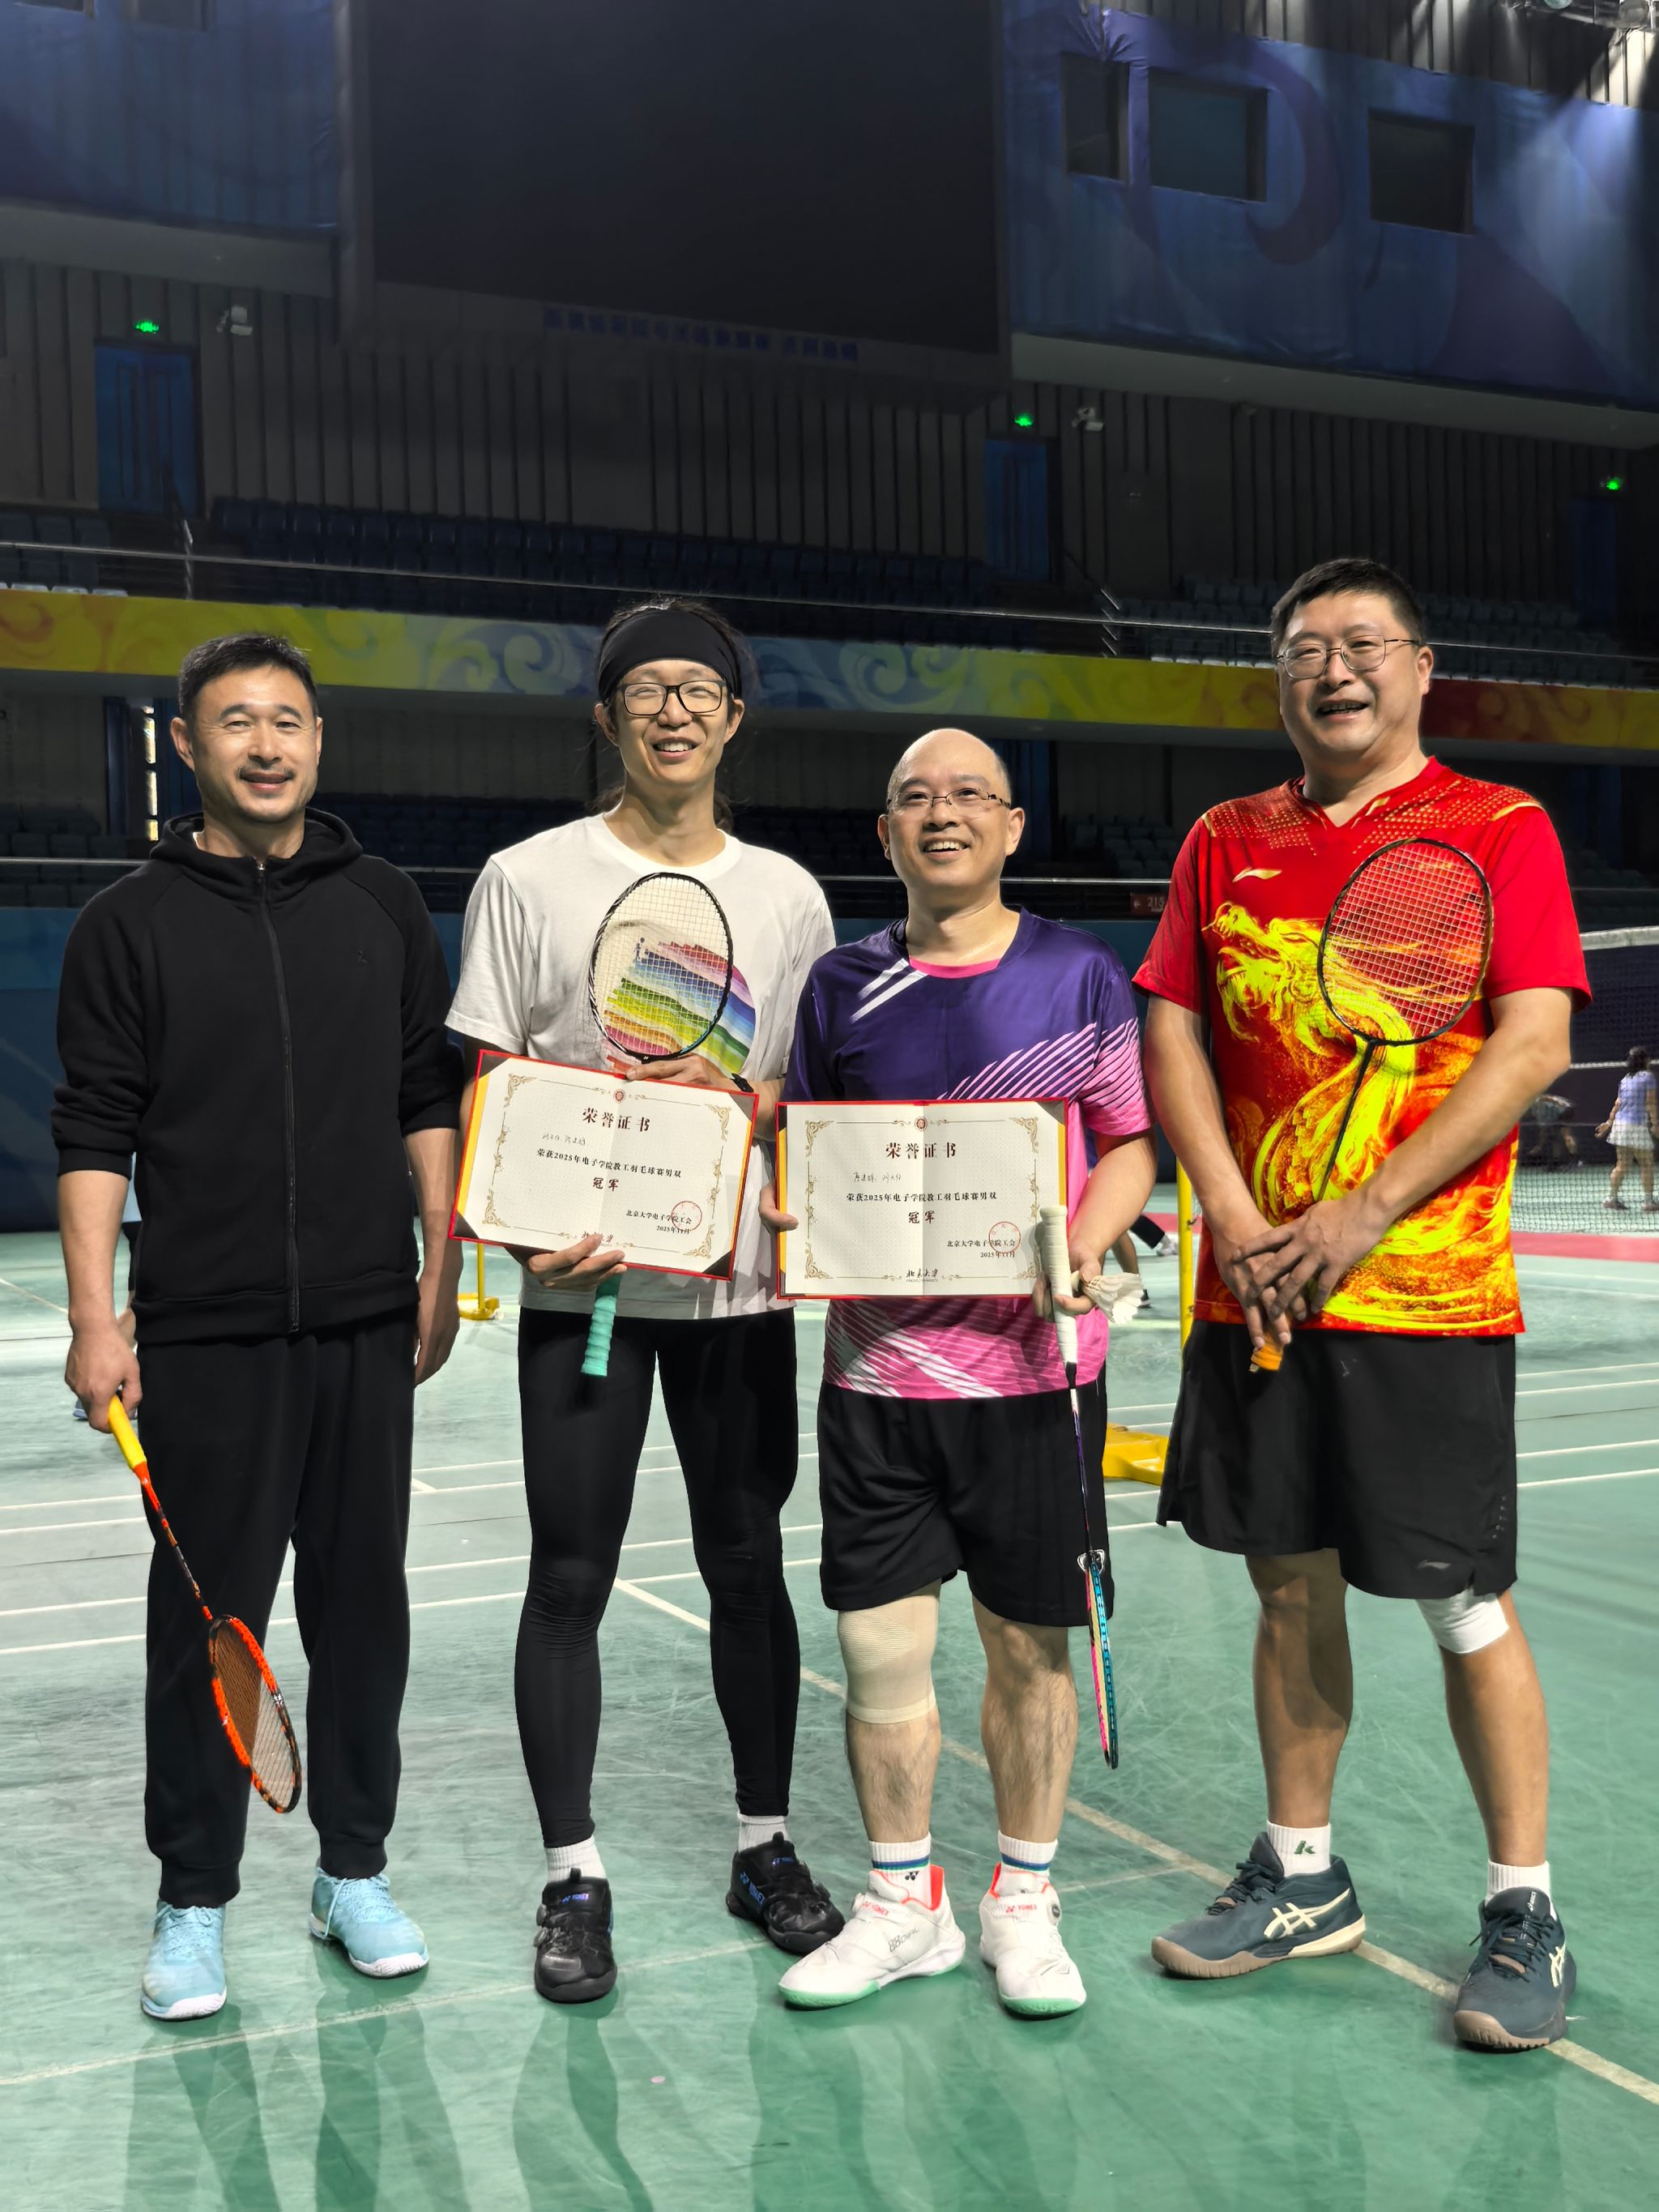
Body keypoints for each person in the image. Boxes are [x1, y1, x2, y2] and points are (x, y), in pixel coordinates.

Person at [1137, 557, 1589, 2053]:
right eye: (1304, 649)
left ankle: (1522, 1906)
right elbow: (1172, 1029)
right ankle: (1303, 1874)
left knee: (1462, 1598)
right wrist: (1234, 1215)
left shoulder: (1498, 826)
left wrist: (1362, 1210)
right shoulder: (1223, 838)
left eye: (1363, 643)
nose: (1333, 669)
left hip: (1425, 1296)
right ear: (1277, 679)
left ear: (1419, 666)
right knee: (1286, 1585)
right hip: (1259, 1296)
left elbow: (1531, 1043)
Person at [55, 632, 463, 2022]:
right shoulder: (127, 923)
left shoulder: (385, 905)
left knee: (364, 1616)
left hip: (364, 1321)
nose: (267, 743)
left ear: (320, 740)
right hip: (204, 1333)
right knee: (205, 1625)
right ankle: (193, 1898)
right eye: (236, 721)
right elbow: (94, 1127)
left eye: (289, 719)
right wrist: (94, 1317)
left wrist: (440, 1257)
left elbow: (423, 1091)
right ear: (187, 745)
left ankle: (354, 1870)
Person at [446, 598, 843, 2004]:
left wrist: (737, 1094)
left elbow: (804, 1086)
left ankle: (762, 1845)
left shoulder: (788, 895)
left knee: (748, 1567)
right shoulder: (527, 878)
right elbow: (487, 1080)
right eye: (645, 689)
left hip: (734, 1294)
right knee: (568, 1579)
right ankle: (572, 1875)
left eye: (698, 689)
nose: (673, 710)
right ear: (607, 715)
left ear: (733, 718)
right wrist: (520, 1230)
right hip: (586, 1294)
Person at [762, 727, 1154, 2019]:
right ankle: (902, 1904)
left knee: (1029, 1648)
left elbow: (1130, 1145)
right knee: (879, 1648)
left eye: (971, 794)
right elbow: (807, 1152)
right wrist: (787, 1207)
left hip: (1037, 1378)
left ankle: (1023, 1901)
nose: (944, 814)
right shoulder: (841, 984)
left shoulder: (1078, 973)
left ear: (1011, 825)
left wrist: (1087, 1240)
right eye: (916, 798)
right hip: (878, 1376)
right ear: (885, 833)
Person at [1597, 1047, 1657, 1210]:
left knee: (1622, 1164)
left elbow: (1618, 1104)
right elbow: (1650, 1102)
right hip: (1636, 1127)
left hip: (1620, 1127)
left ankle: (1611, 1198)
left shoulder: (1625, 1080)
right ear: (1645, 1061)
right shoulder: (1648, 1077)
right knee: (1646, 1163)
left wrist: (1609, 1123)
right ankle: (1648, 1202)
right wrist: (1656, 1124)